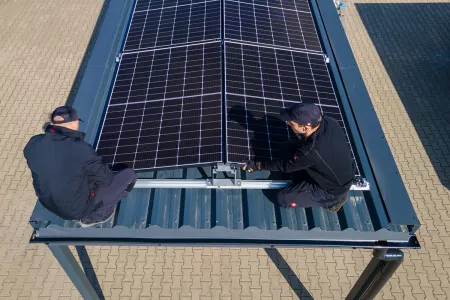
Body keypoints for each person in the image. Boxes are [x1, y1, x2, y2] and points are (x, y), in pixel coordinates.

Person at [24, 106, 137, 227]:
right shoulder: (80, 148)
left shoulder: (33, 142)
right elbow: (106, 180)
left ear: (52, 123)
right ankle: (94, 216)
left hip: (48, 203)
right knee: (129, 175)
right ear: (75, 123)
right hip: (77, 210)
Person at [243, 103, 356, 212]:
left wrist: (259, 165)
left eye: (292, 123)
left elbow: (285, 166)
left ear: (306, 127)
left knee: (281, 198)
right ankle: (301, 180)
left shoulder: (312, 151)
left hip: (331, 190)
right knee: (289, 146)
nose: (288, 124)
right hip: (335, 169)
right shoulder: (330, 122)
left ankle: (334, 202)